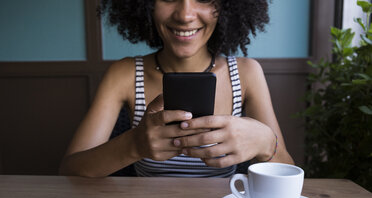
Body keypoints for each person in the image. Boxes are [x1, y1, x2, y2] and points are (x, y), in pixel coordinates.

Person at [59, 0, 294, 178]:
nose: (185, 15)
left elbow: (289, 174)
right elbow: (69, 172)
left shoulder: (247, 73)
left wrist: (265, 143)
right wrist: (134, 145)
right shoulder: (124, 73)